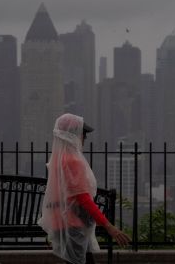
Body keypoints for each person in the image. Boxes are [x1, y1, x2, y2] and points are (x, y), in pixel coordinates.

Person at [38, 113, 131, 264]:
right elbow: (83, 199)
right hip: (74, 224)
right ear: (72, 135)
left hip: (59, 222)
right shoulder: (73, 161)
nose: (84, 139)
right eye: (83, 134)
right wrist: (108, 226)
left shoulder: (58, 160)